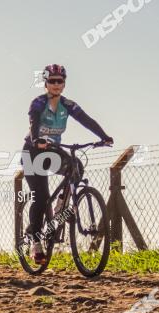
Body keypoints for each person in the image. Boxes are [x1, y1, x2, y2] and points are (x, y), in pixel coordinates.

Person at [23, 64, 113, 264]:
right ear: (45, 83)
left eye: (60, 81)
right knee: (40, 196)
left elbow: (86, 120)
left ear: (64, 84)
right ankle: (35, 243)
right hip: (32, 153)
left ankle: (59, 209)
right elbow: (33, 123)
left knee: (77, 167)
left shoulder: (68, 105)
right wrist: (37, 139)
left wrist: (104, 136)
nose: (56, 84)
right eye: (52, 81)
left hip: (52, 151)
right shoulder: (37, 103)